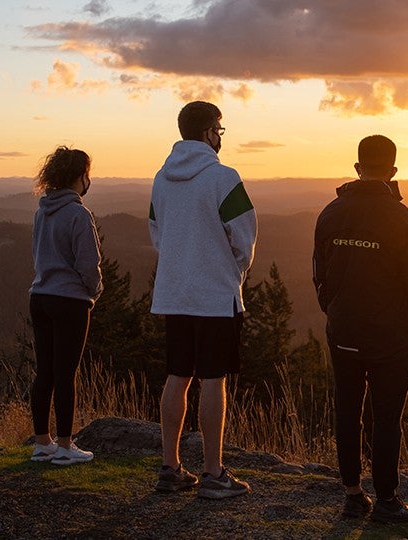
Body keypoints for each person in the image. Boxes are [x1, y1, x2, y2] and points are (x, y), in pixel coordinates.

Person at [312, 135, 408, 523]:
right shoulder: (403, 219)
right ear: (393, 171)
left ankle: (351, 494)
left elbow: (319, 274)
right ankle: (387, 500)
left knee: (347, 410)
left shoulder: (330, 213)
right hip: (391, 339)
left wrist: (334, 312)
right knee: (386, 418)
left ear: (358, 168)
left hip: (343, 332)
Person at [148, 101, 257, 499]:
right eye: (220, 131)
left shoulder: (162, 179)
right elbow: (244, 239)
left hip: (174, 293)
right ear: (211, 131)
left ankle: (170, 467)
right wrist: (233, 273)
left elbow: (157, 235)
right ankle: (213, 474)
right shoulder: (223, 178)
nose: (220, 138)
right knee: (214, 379)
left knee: (178, 375)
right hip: (214, 296)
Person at [27, 146, 101, 466]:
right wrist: (94, 291)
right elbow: (89, 264)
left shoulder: (42, 211)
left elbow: (38, 253)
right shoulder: (78, 214)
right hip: (70, 300)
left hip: (39, 297)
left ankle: (43, 442)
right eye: (87, 174)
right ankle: (67, 446)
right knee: (66, 374)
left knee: (45, 372)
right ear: (79, 176)